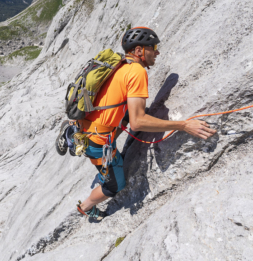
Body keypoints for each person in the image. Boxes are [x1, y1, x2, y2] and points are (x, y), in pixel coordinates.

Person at [76, 27, 217, 220]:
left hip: (86, 130)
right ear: (140, 50)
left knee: (108, 160)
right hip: (97, 142)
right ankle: (86, 206)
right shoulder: (136, 71)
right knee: (115, 185)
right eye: (154, 47)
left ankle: (103, 171)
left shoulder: (121, 67)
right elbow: (138, 122)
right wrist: (184, 126)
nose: (157, 52)